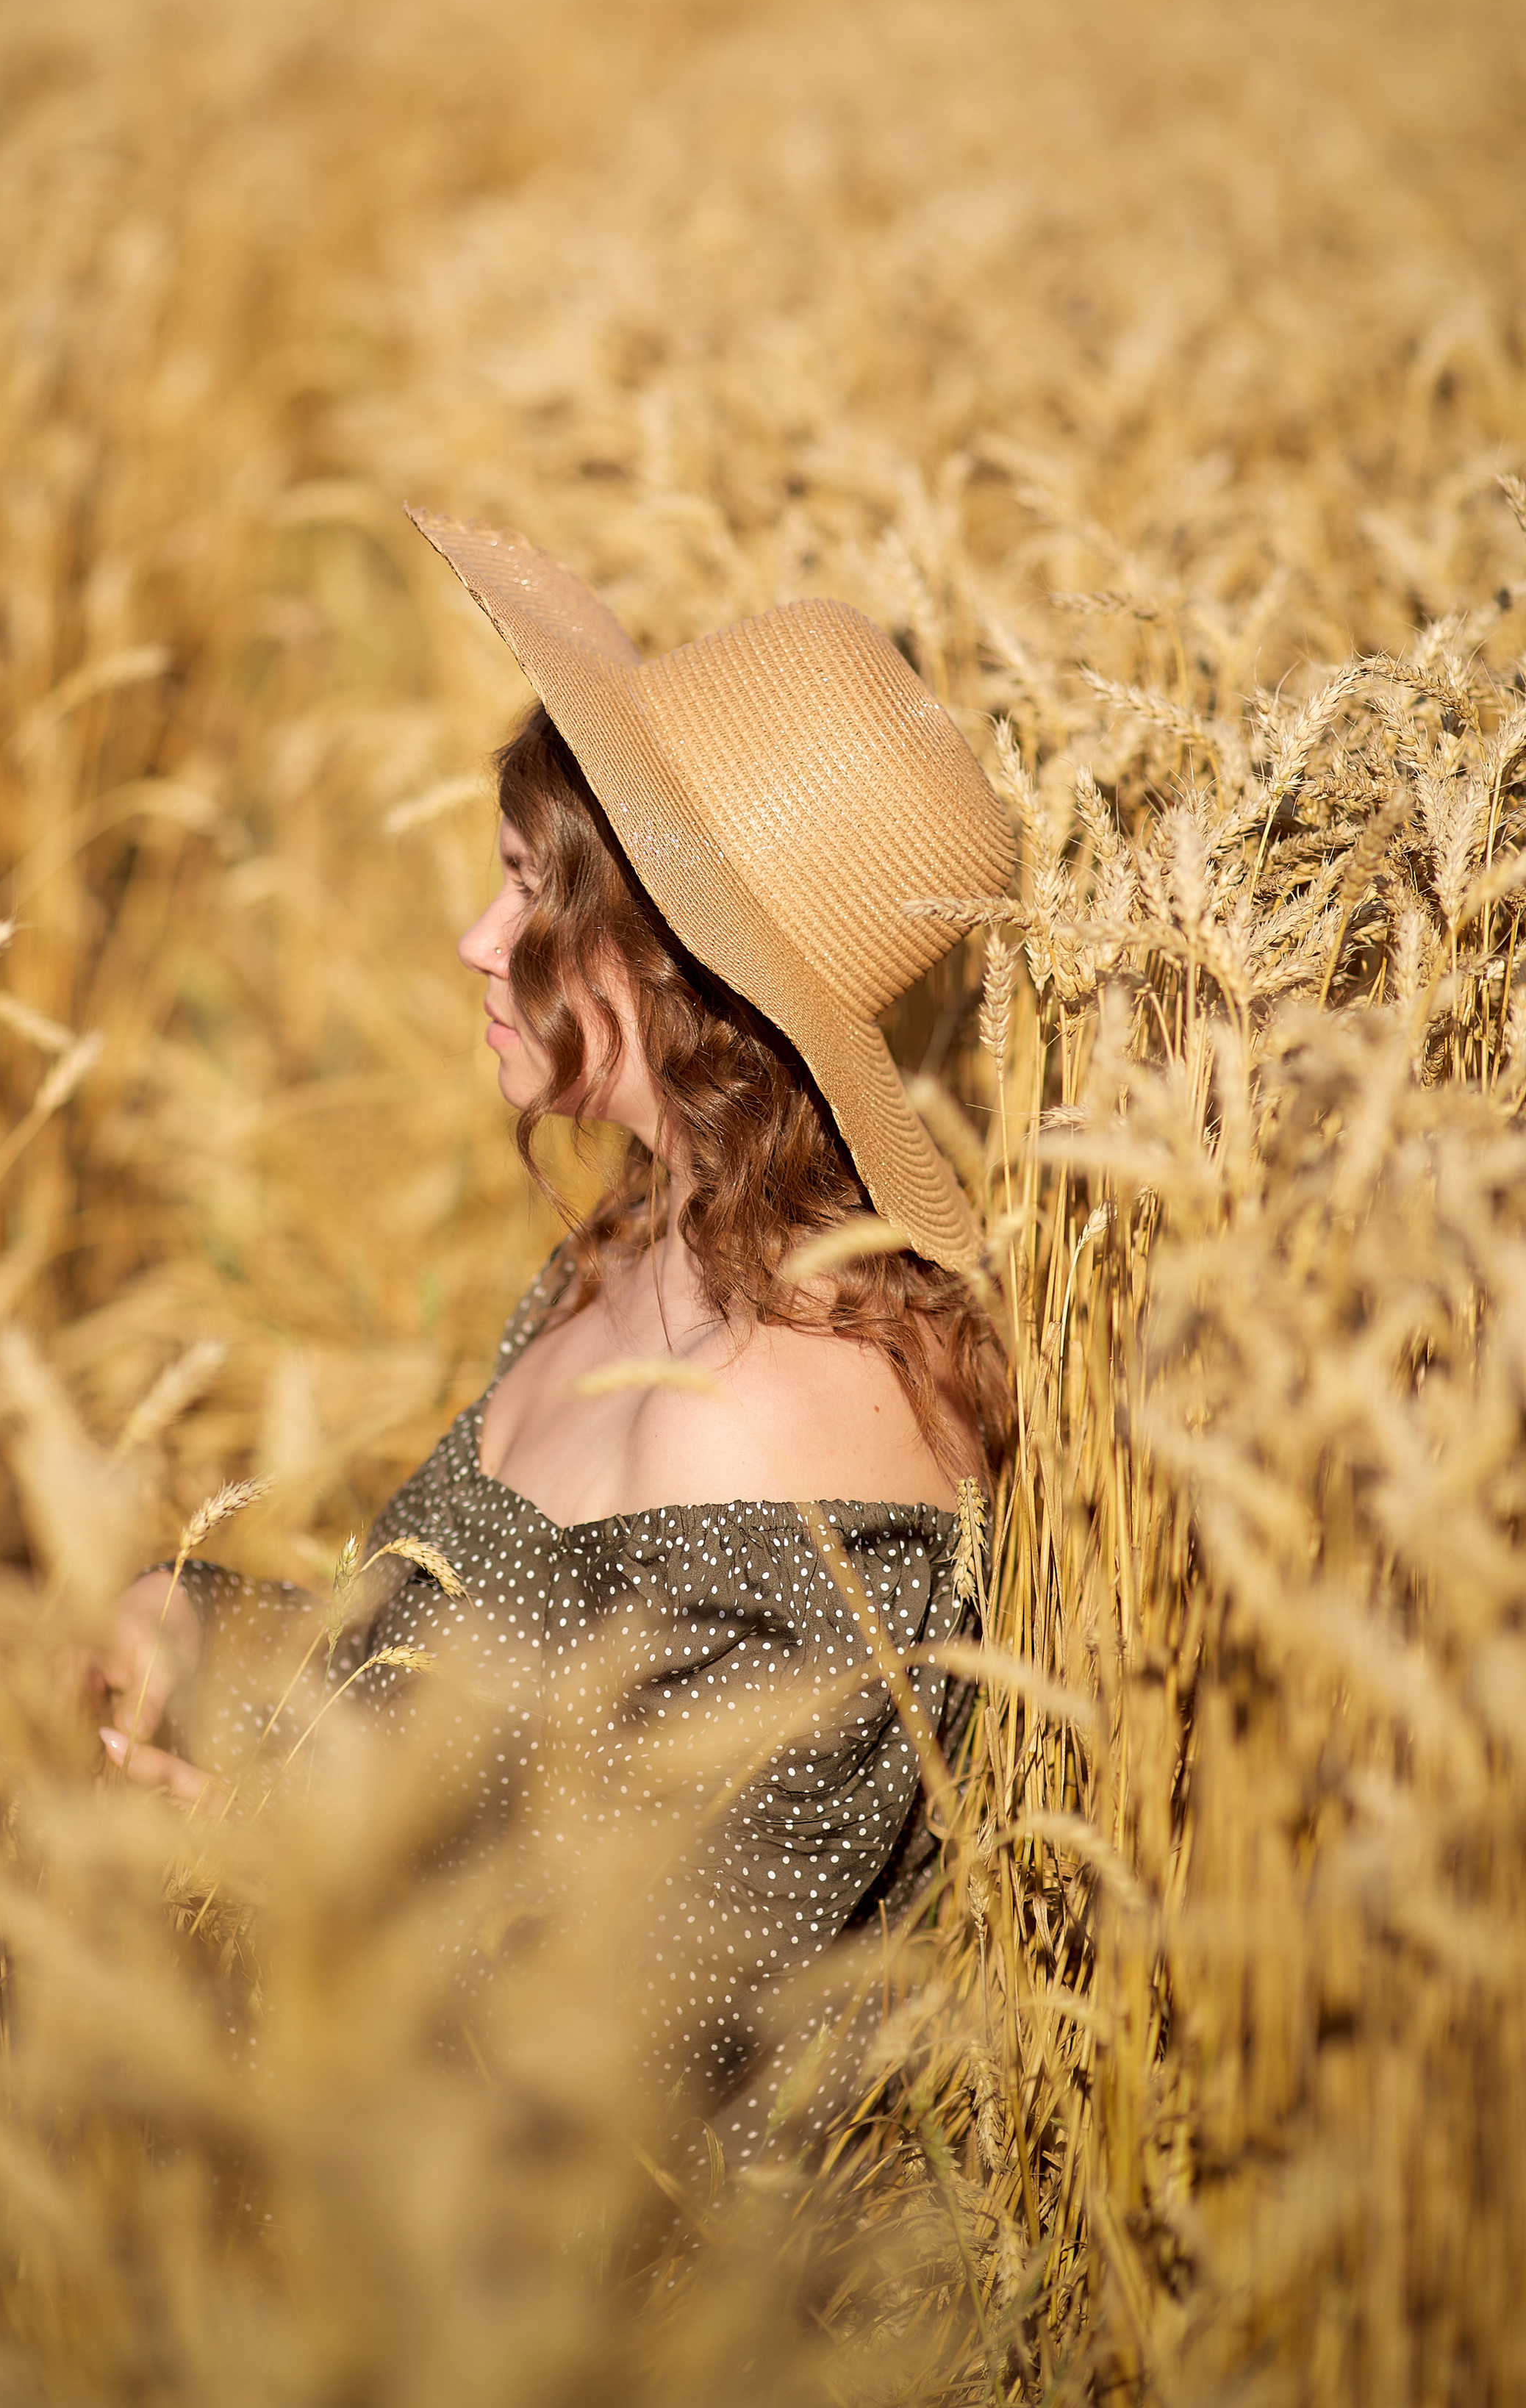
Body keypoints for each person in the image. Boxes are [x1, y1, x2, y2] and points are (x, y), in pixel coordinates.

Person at [90, 509, 1018, 2156]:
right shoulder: (642, 1248)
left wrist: (239, 1876)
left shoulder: (771, 1423)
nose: (470, 941)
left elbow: (634, 2035)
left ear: (669, 970)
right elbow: (450, 1702)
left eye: (525, 894)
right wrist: (192, 1624)